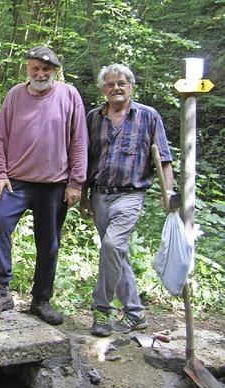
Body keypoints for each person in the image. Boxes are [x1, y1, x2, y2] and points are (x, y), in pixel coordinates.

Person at [0, 46, 88, 325]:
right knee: (0, 224)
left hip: (54, 183)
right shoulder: (15, 94)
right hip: (15, 181)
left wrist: (76, 181)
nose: (40, 74)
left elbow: (79, 140)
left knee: (48, 243)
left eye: (46, 69)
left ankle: (41, 299)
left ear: (55, 71)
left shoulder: (69, 95)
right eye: (35, 68)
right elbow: (0, 135)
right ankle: (1, 290)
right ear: (28, 69)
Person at [81, 64, 173, 337]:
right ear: (103, 89)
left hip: (130, 195)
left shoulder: (148, 116)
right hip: (100, 195)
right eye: (110, 84)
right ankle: (135, 313)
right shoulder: (94, 117)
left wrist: (168, 193)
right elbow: (86, 159)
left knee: (112, 244)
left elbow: (164, 159)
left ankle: (101, 309)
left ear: (131, 86)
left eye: (121, 83)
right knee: (116, 253)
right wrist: (85, 196)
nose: (116, 88)